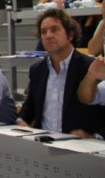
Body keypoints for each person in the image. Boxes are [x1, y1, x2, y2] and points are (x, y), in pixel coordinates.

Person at [17, 8, 105, 137]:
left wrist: (95, 137)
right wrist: (21, 122)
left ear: (70, 34)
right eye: (43, 32)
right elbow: (29, 108)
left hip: (80, 148)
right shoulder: (37, 70)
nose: (48, 35)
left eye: (54, 29)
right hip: (43, 144)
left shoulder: (91, 67)